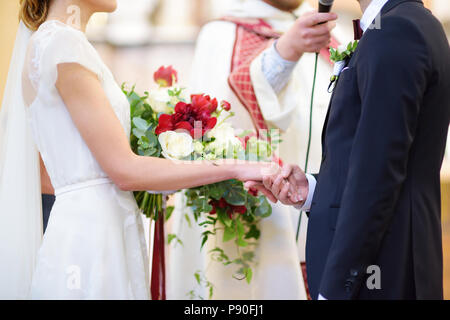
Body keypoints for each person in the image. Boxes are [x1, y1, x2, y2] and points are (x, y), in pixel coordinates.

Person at [0, 0, 271, 299]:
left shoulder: (55, 43)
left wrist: (161, 176)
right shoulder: (63, 45)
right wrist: (238, 166)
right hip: (93, 240)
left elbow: (78, 167)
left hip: (92, 225)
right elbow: (125, 171)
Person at [249, 0, 450, 299]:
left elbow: (379, 175)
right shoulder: (404, 23)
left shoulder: (397, 29)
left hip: (383, 269)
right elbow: (376, 156)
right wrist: (315, 190)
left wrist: (335, 290)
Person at [168, 0, 340, 299]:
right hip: (268, 218)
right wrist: (286, 52)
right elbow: (218, 128)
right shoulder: (220, 34)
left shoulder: (327, 33)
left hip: (326, 210)